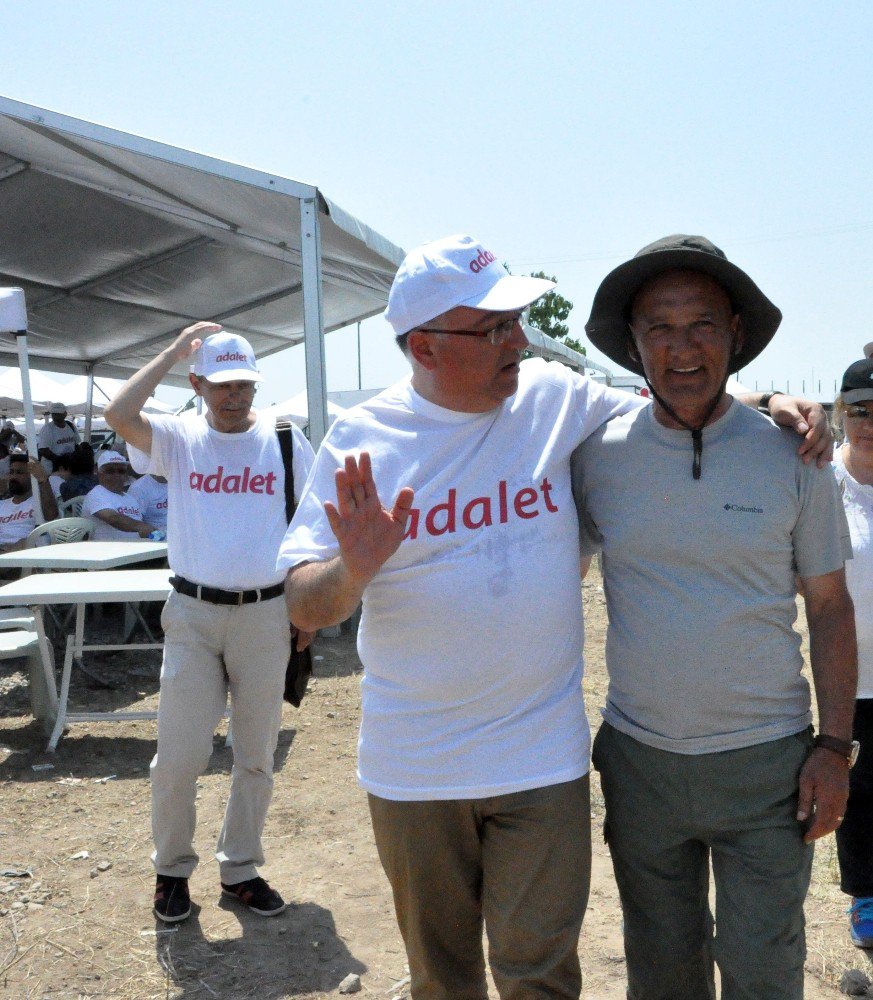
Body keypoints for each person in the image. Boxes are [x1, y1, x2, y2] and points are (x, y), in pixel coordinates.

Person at [278, 233, 832, 1000]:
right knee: (441, 978)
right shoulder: (364, 441)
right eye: (495, 328)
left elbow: (675, 394)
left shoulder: (549, 395)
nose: (519, 340)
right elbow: (304, 601)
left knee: (539, 974)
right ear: (424, 348)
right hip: (415, 766)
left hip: (542, 761)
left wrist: (772, 402)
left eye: (517, 322)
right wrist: (356, 568)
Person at [572, 234, 857, 1000]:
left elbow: (829, 609)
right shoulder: (596, 455)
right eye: (657, 328)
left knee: (765, 974)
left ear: (735, 333)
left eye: (701, 323)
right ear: (632, 347)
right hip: (640, 762)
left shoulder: (792, 457)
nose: (681, 346)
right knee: (661, 974)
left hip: (768, 766)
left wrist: (833, 747)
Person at [104, 323, 315, 926]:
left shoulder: (281, 438)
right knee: (178, 754)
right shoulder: (177, 437)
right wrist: (171, 350)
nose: (234, 397)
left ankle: (240, 868)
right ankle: (171, 871)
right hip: (193, 615)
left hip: (267, 612)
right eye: (222, 385)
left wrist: (304, 612)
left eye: (244, 385)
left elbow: (308, 522)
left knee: (256, 753)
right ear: (196, 384)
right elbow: (120, 412)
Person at [831, 357, 873, 948]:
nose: (870, 423)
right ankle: (866, 898)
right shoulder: (819, 479)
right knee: (860, 790)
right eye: (859, 411)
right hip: (849, 670)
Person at [81, 451, 152, 541]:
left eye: (121, 471)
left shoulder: (129, 498)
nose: (117, 474)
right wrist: (140, 526)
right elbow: (113, 518)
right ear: (99, 473)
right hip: (108, 552)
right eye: (110, 470)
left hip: (134, 550)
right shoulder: (96, 494)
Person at [0, 453, 59, 553]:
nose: (14, 476)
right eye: (11, 472)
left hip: (26, 552)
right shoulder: (2, 505)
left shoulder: (40, 502)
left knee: (26, 542)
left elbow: (51, 515)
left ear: (31, 477)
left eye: (19, 473)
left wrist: (42, 480)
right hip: (2, 549)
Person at [37, 403, 80, 471]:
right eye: (54, 414)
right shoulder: (47, 429)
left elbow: (76, 444)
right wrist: (59, 460)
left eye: (59, 413)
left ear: (65, 414)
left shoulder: (71, 426)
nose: (56, 416)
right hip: (51, 469)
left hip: (68, 466)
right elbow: (43, 450)